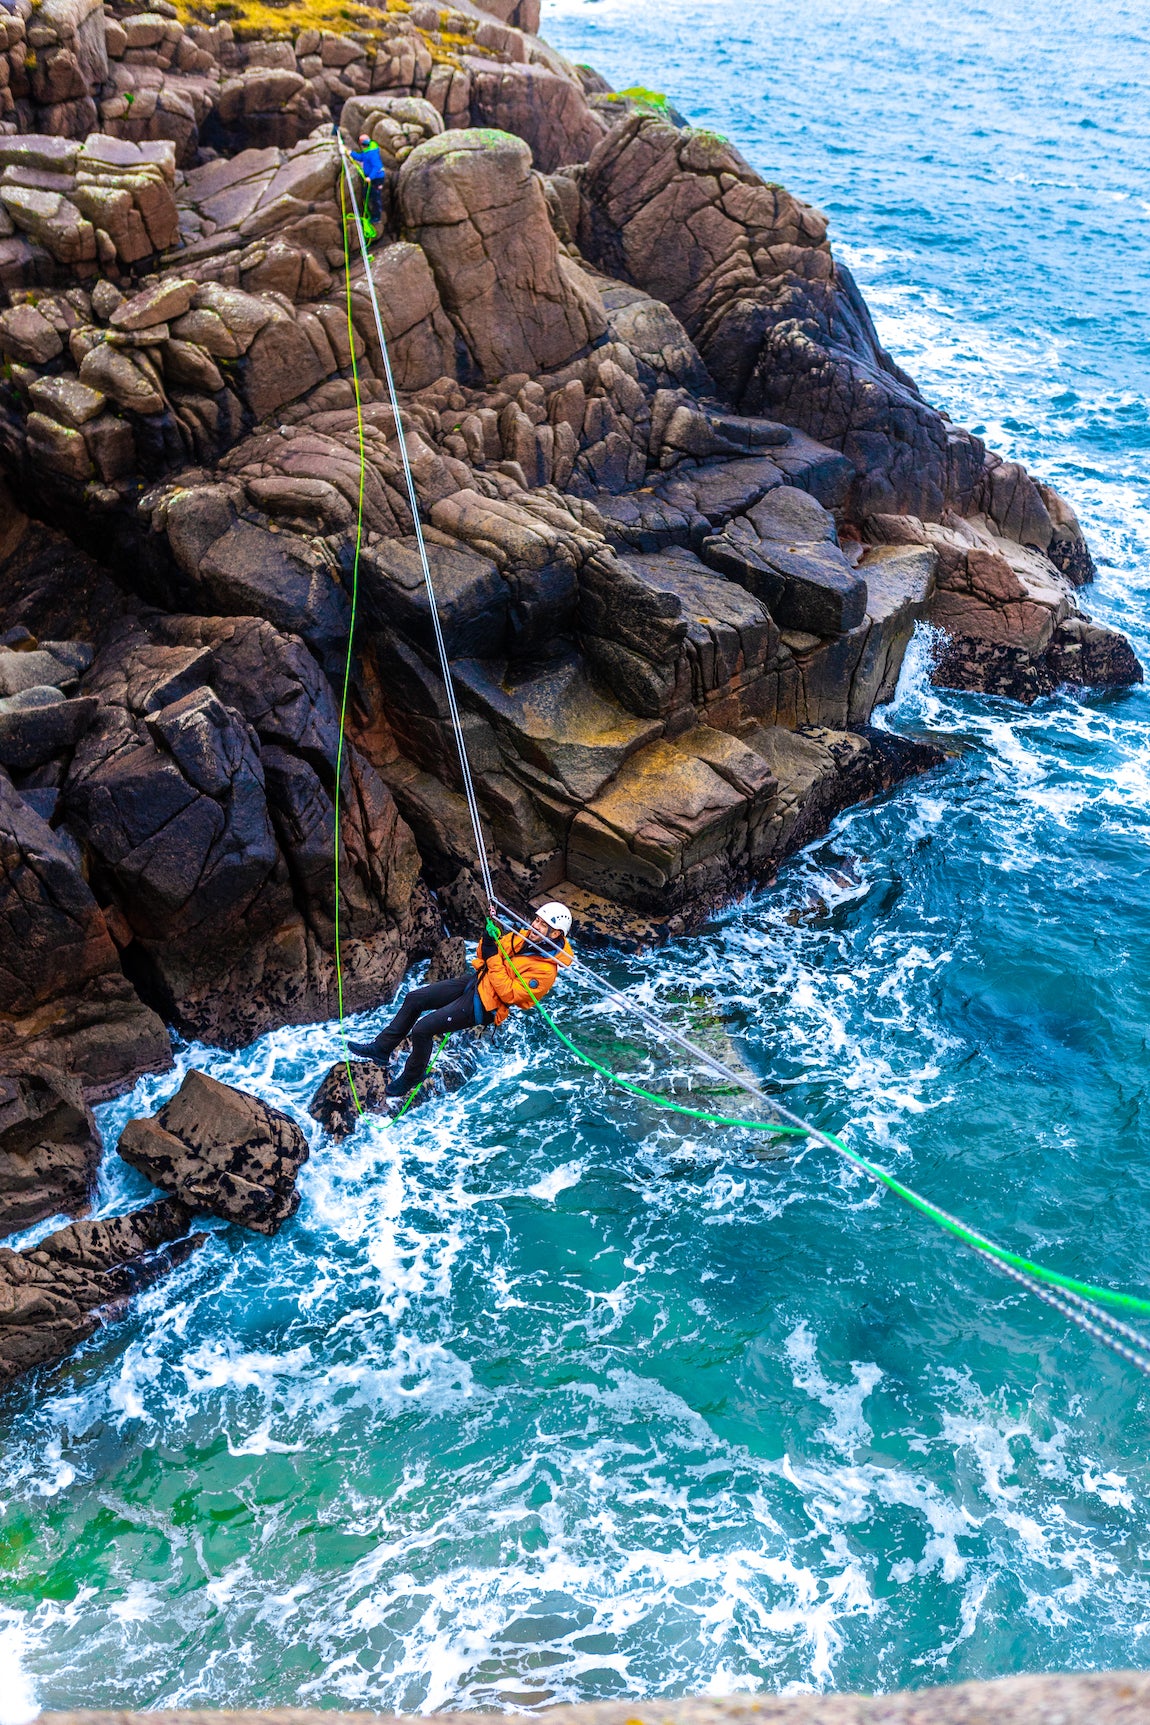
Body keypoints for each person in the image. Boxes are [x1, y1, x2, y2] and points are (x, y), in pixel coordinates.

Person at [349, 903, 575, 1099]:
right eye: (536, 920)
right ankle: (381, 1048)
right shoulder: (522, 937)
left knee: (422, 1030)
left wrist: (493, 957)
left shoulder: (545, 972)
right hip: (477, 982)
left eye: (542, 925)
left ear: (555, 934)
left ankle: (412, 1076)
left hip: (486, 1005)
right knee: (414, 998)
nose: (535, 926)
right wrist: (487, 940)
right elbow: (483, 954)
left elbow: (510, 994)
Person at [350, 132, 387, 234]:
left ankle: (377, 217)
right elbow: (361, 157)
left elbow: (376, 167)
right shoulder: (367, 150)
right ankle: (368, 213)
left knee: (376, 197)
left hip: (377, 178)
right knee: (366, 194)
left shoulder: (372, 153)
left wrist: (370, 177)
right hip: (370, 178)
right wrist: (350, 153)